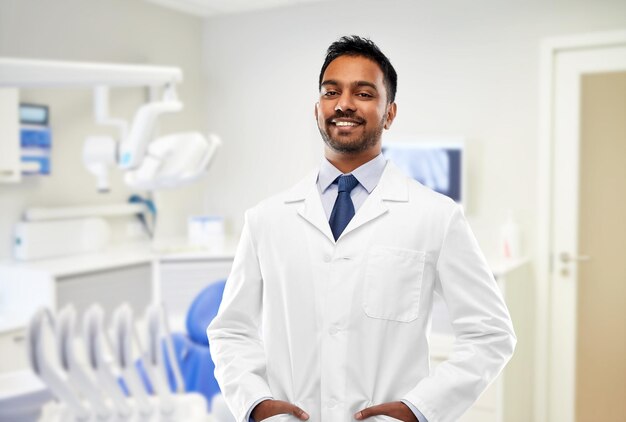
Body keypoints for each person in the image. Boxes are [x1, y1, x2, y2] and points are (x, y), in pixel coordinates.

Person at [207, 35, 516, 422]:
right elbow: (231, 331)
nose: (344, 103)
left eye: (364, 93)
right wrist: (256, 404)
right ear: (317, 110)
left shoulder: (435, 216)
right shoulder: (266, 219)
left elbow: (490, 335)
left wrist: (418, 410)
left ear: (390, 113)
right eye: (331, 91)